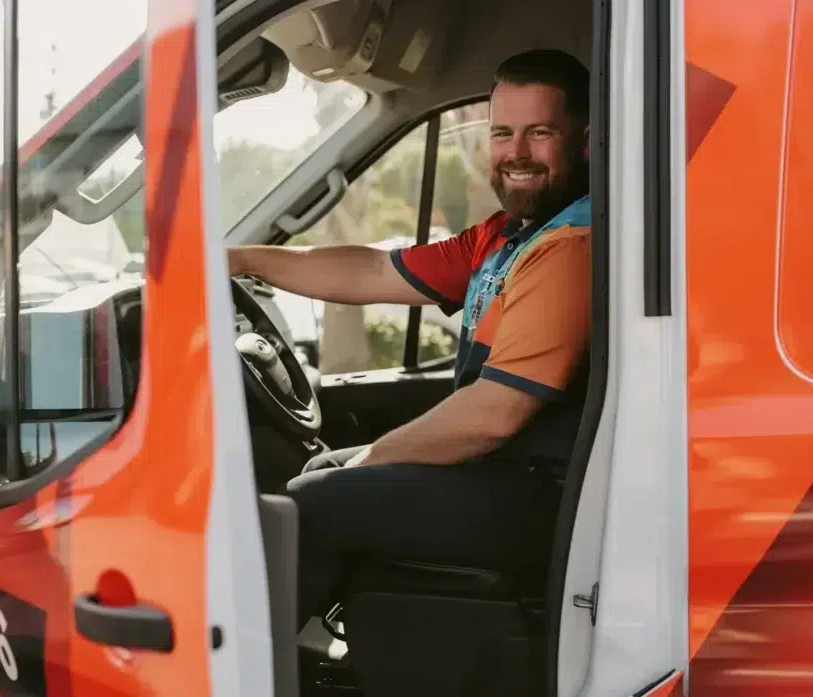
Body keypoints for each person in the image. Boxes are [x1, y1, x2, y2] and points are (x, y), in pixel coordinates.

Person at [228, 49, 592, 630]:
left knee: (313, 503)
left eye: (540, 133)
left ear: (586, 142)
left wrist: (372, 459)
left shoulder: (570, 245)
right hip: (504, 471)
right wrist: (240, 259)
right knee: (317, 471)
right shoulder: (509, 235)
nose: (516, 152)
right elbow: (373, 271)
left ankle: (238, 662)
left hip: (546, 496)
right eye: (502, 133)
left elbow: (493, 415)